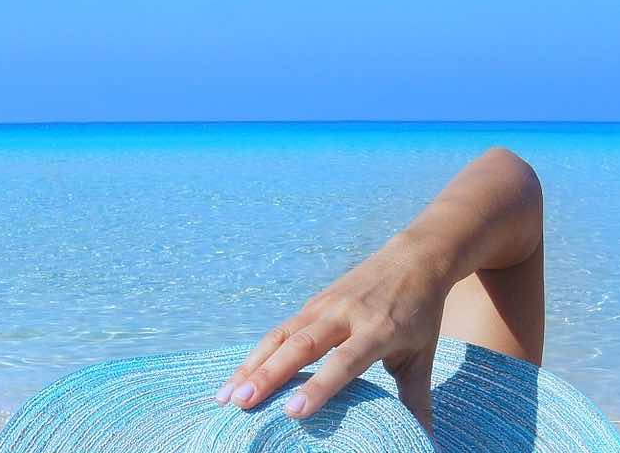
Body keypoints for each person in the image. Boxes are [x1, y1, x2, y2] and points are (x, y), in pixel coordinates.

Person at [214, 146, 544, 432]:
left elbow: (508, 174)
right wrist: (414, 265)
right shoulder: (479, 436)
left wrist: (410, 264)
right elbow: (512, 176)